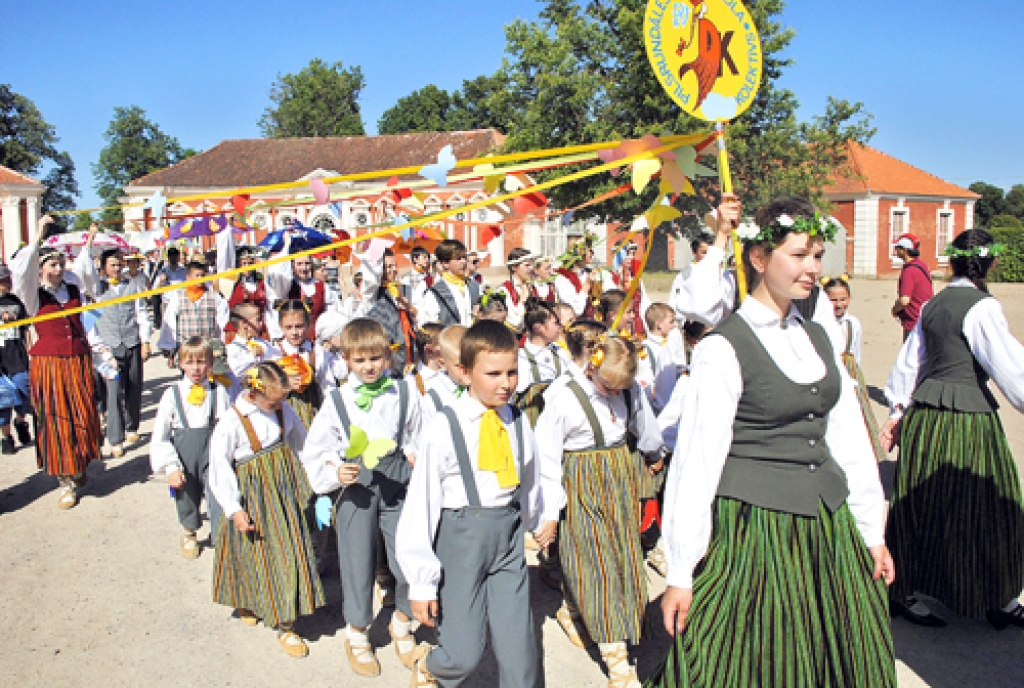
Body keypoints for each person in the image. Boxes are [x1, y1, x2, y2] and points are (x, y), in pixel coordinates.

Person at [649, 197, 895, 688]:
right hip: (757, 528)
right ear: (759, 260)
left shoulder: (819, 338)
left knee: (839, 655)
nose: (813, 269)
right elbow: (697, 464)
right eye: (799, 255)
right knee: (755, 659)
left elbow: (848, 443)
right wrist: (680, 569)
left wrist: (872, 530)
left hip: (829, 526)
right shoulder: (724, 347)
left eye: (818, 255)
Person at [397, 320, 559, 688]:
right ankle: (434, 667)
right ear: (465, 373)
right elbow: (421, 504)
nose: (505, 383)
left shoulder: (517, 420)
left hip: (508, 539)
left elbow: (531, 476)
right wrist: (420, 583)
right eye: (494, 373)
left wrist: (540, 517)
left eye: (512, 372)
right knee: (464, 652)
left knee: (520, 652)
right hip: (460, 541)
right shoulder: (445, 425)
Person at [882, 228, 1024, 630]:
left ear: (952, 261)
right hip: (965, 422)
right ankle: (998, 597)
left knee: (922, 503)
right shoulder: (983, 308)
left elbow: (911, 363)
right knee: (990, 504)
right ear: (991, 262)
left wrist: (896, 411)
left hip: (926, 418)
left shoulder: (933, 304)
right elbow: (1011, 369)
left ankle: (905, 591)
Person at [535, 320, 665, 688]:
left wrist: (653, 456)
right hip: (581, 480)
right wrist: (550, 512)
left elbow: (645, 427)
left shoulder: (627, 390)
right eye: (607, 386)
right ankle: (617, 661)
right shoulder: (564, 397)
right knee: (593, 561)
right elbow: (545, 458)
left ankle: (574, 608)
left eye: (620, 389)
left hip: (620, 477)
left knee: (621, 556)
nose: (612, 394)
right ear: (591, 366)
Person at [300, 318, 423, 677]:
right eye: (360, 360)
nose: (369, 367)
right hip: (356, 489)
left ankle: (400, 623)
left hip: (398, 483)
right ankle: (357, 633)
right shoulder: (337, 400)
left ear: (387, 356)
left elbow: (417, 431)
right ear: (347, 360)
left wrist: (414, 452)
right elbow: (316, 451)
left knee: (407, 559)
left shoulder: (404, 392)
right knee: (357, 564)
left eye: (375, 358)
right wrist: (335, 469)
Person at [208, 361, 323, 657]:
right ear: (252, 394)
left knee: (285, 550)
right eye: (272, 402)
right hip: (252, 492)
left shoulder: (284, 410)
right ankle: (249, 598)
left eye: (281, 400)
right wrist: (234, 507)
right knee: (250, 549)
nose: (278, 405)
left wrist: (319, 476)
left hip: (282, 487)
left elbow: (301, 444)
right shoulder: (232, 422)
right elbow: (220, 467)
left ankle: (286, 622)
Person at [10, 216, 102, 509]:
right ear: (41, 268)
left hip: (77, 358)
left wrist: (88, 240)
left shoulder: (72, 286)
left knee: (82, 414)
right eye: (52, 265)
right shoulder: (31, 295)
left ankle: (79, 465)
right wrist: (37, 234)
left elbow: (87, 272)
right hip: (49, 363)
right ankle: (65, 481)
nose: (59, 268)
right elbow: (21, 270)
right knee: (56, 418)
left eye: (61, 264)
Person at [150, 337, 232, 558]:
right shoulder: (172, 394)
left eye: (201, 362)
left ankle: (220, 535)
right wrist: (170, 467)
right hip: (184, 454)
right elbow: (161, 435)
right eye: (190, 362)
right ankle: (189, 531)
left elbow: (227, 426)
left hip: (212, 450)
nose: (196, 368)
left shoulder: (219, 392)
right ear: (181, 364)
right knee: (186, 494)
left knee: (217, 493)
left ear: (210, 363)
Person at [75, 235, 152, 456]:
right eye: (113, 264)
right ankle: (115, 438)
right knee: (112, 391)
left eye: (120, 264)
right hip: (108, 348)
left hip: (131, 342)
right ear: (104, 267)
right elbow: (85, 270)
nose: (118, 268)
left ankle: (132, 426)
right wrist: (89, 241)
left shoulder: (133, 286)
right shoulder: (97, 290)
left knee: (134, 386)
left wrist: (145, 341)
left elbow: (141, 314)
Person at [823, 275, 886, 464]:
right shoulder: (820, 323)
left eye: (843, 299)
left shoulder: (853, 324)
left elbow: (855, 353)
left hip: (850, 372)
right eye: (833, 300)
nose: (839, 304)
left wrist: (856, 377)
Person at [272, 300, 336, 429]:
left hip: (313, 413)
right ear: (281, 326)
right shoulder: (274, 352)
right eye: (288, 327)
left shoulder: (316, 352)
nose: (294, 332)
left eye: (299, 326)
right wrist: (285, 384)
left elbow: (328, 386)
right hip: (283, 414)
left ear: (307, 324)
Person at [157, 257, 229, 367]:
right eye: (197, 275)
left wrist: (223, 343)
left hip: (208, 348)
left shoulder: (214, 296)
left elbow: (222, 321)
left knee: (209, 380)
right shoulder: (178, 296)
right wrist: (169, 347)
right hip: (187, 348)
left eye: (202, 275)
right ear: (188, 277)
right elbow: (170, 321)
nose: (200, 278)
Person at [361, 248, 417, 375]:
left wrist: (409, 308)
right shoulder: (373, 292)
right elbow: (370, 278)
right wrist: (374, 252)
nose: (393, 270)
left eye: (394, 265)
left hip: (407, 352)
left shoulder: (405, 289)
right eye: (388, 267)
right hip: (385, 355)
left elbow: (417, 317)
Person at [0, 264, 33, 454]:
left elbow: (26, 327)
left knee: (22, 391)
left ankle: (20, 421)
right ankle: (6, 437)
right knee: (3, 399)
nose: (7, 283)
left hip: (17, 352)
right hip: (1, 354)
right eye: (3, 281)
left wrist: (29, 347)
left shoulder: (16, 301)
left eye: (7, 280)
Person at [417, 239, 479, 327]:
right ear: (445, 263)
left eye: (464, 257)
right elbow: (429, 325)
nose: (463, 262)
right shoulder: (435, 292)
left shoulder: (474, 285)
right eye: (458, 259)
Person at [891, 232, 934, 340]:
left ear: (904, 250)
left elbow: (904, 300)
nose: (895, 250)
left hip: (913, 322)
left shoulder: (909, 271)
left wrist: (895, 309)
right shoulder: (921, 265)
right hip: (926, 318)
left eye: (897, 248)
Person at [637, 303, 679, 415]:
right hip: (657, 407)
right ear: (659, 324)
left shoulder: (671, 344)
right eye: (671, 322)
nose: (674, 325)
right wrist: (652, 392)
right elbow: (643, 376)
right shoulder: (644, 349)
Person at [225, 303, 281, 382]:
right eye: (258, 320)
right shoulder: (231, 349)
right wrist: (252, 357)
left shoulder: (263, 343)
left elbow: (277, 358)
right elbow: (234, 373)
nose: (261, 323)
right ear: (244, 324)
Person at [554, 238, 597, 318]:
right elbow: (576, 310)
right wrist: (587, 285)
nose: (592, 253)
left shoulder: (589, 273)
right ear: (578, 254)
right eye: (589, 250)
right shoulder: (563, 278)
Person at [499, 248, 536, 330]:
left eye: (532, 264)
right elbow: (514, 322)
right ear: (514, 267)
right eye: (527, 265)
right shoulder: (504, 290)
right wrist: (522, 301)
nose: (531, 268)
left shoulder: (531, 287)